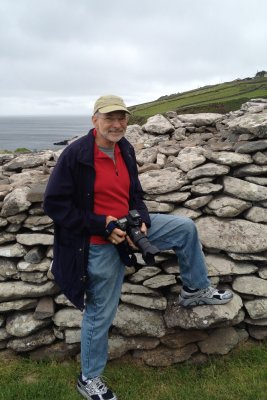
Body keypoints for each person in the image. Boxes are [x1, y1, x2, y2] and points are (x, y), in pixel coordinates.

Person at [43, 94, 233, 400]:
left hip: (128, 226)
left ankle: (195, 290)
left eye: (122, 118)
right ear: (95, 120)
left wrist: (141, 221)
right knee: (101, 312)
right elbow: (54, 204)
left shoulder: (125, 148)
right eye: (109, 118)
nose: (117, 124)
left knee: (184, 228)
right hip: (95, 239)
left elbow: (135, 194)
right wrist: (102, 225)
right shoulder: (76, 155)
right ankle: (89, 378)